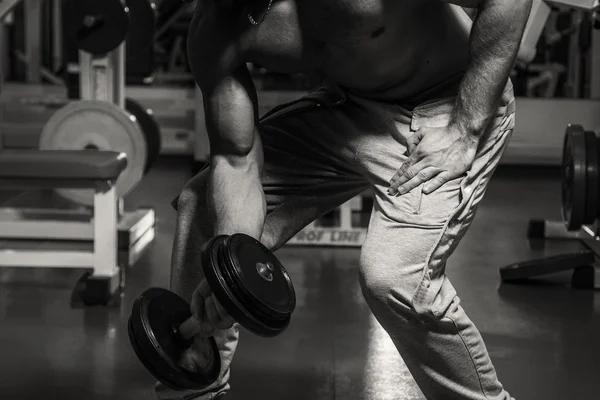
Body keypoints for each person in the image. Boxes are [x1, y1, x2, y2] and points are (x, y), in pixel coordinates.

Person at [160, 0, 531, 399]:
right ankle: (196, 388)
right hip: (348, 108)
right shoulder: (216, 28)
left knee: (394, 279)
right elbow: (236, 161)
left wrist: (466, 127)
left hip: (446, 108)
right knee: (204, 206)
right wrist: (229, 275)